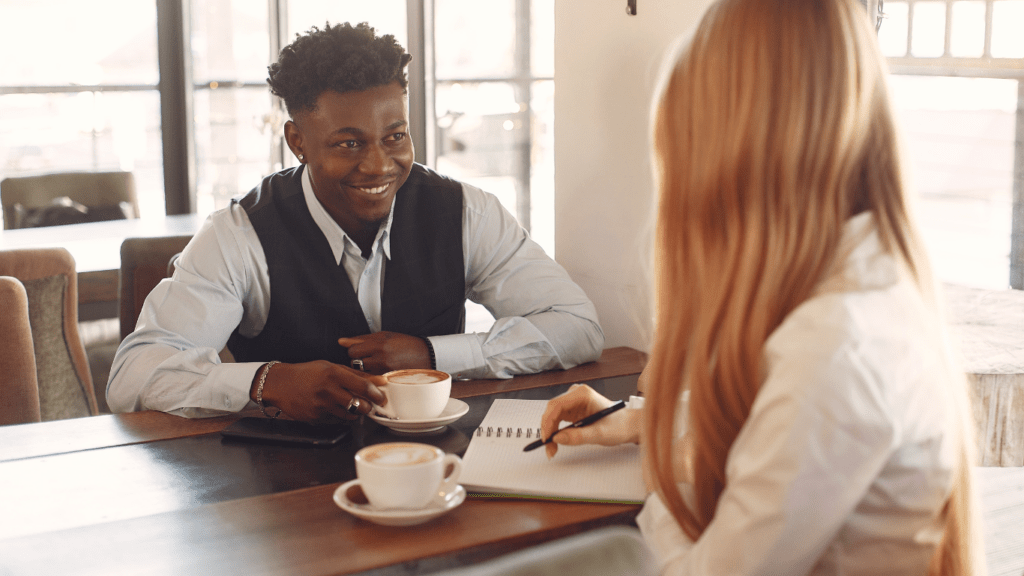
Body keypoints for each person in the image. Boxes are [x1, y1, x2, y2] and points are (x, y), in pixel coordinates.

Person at [540, 0, 982, 574]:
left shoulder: (836, 344)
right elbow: (779, 418)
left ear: (739, 164)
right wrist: (638, 422)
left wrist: (660, 484)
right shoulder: (868, 289)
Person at [107, 22, 604, 422]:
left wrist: (433, 356)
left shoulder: (466, 213)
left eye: (395, 137)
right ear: (297, 141)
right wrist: (266, 383)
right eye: (349, 143)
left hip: (438, 468)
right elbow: (133, 374)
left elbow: (577, 327)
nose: (378, 165)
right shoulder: (238, 235)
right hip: (286, 492)